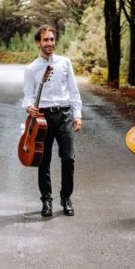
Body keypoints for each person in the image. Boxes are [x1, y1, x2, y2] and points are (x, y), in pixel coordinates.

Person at [23, 24, 83, 217]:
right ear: (38, 43)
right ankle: (46, 200)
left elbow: (73, 91)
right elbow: (28, 95)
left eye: (51, 39)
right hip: (42, 117)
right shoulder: (31, 69)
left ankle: (66, 198)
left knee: (68, 158)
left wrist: (77, 115)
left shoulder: (65, 63)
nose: (49, 43)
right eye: (45, 40)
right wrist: (29, 106)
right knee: (43, 160)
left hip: (64, 114)